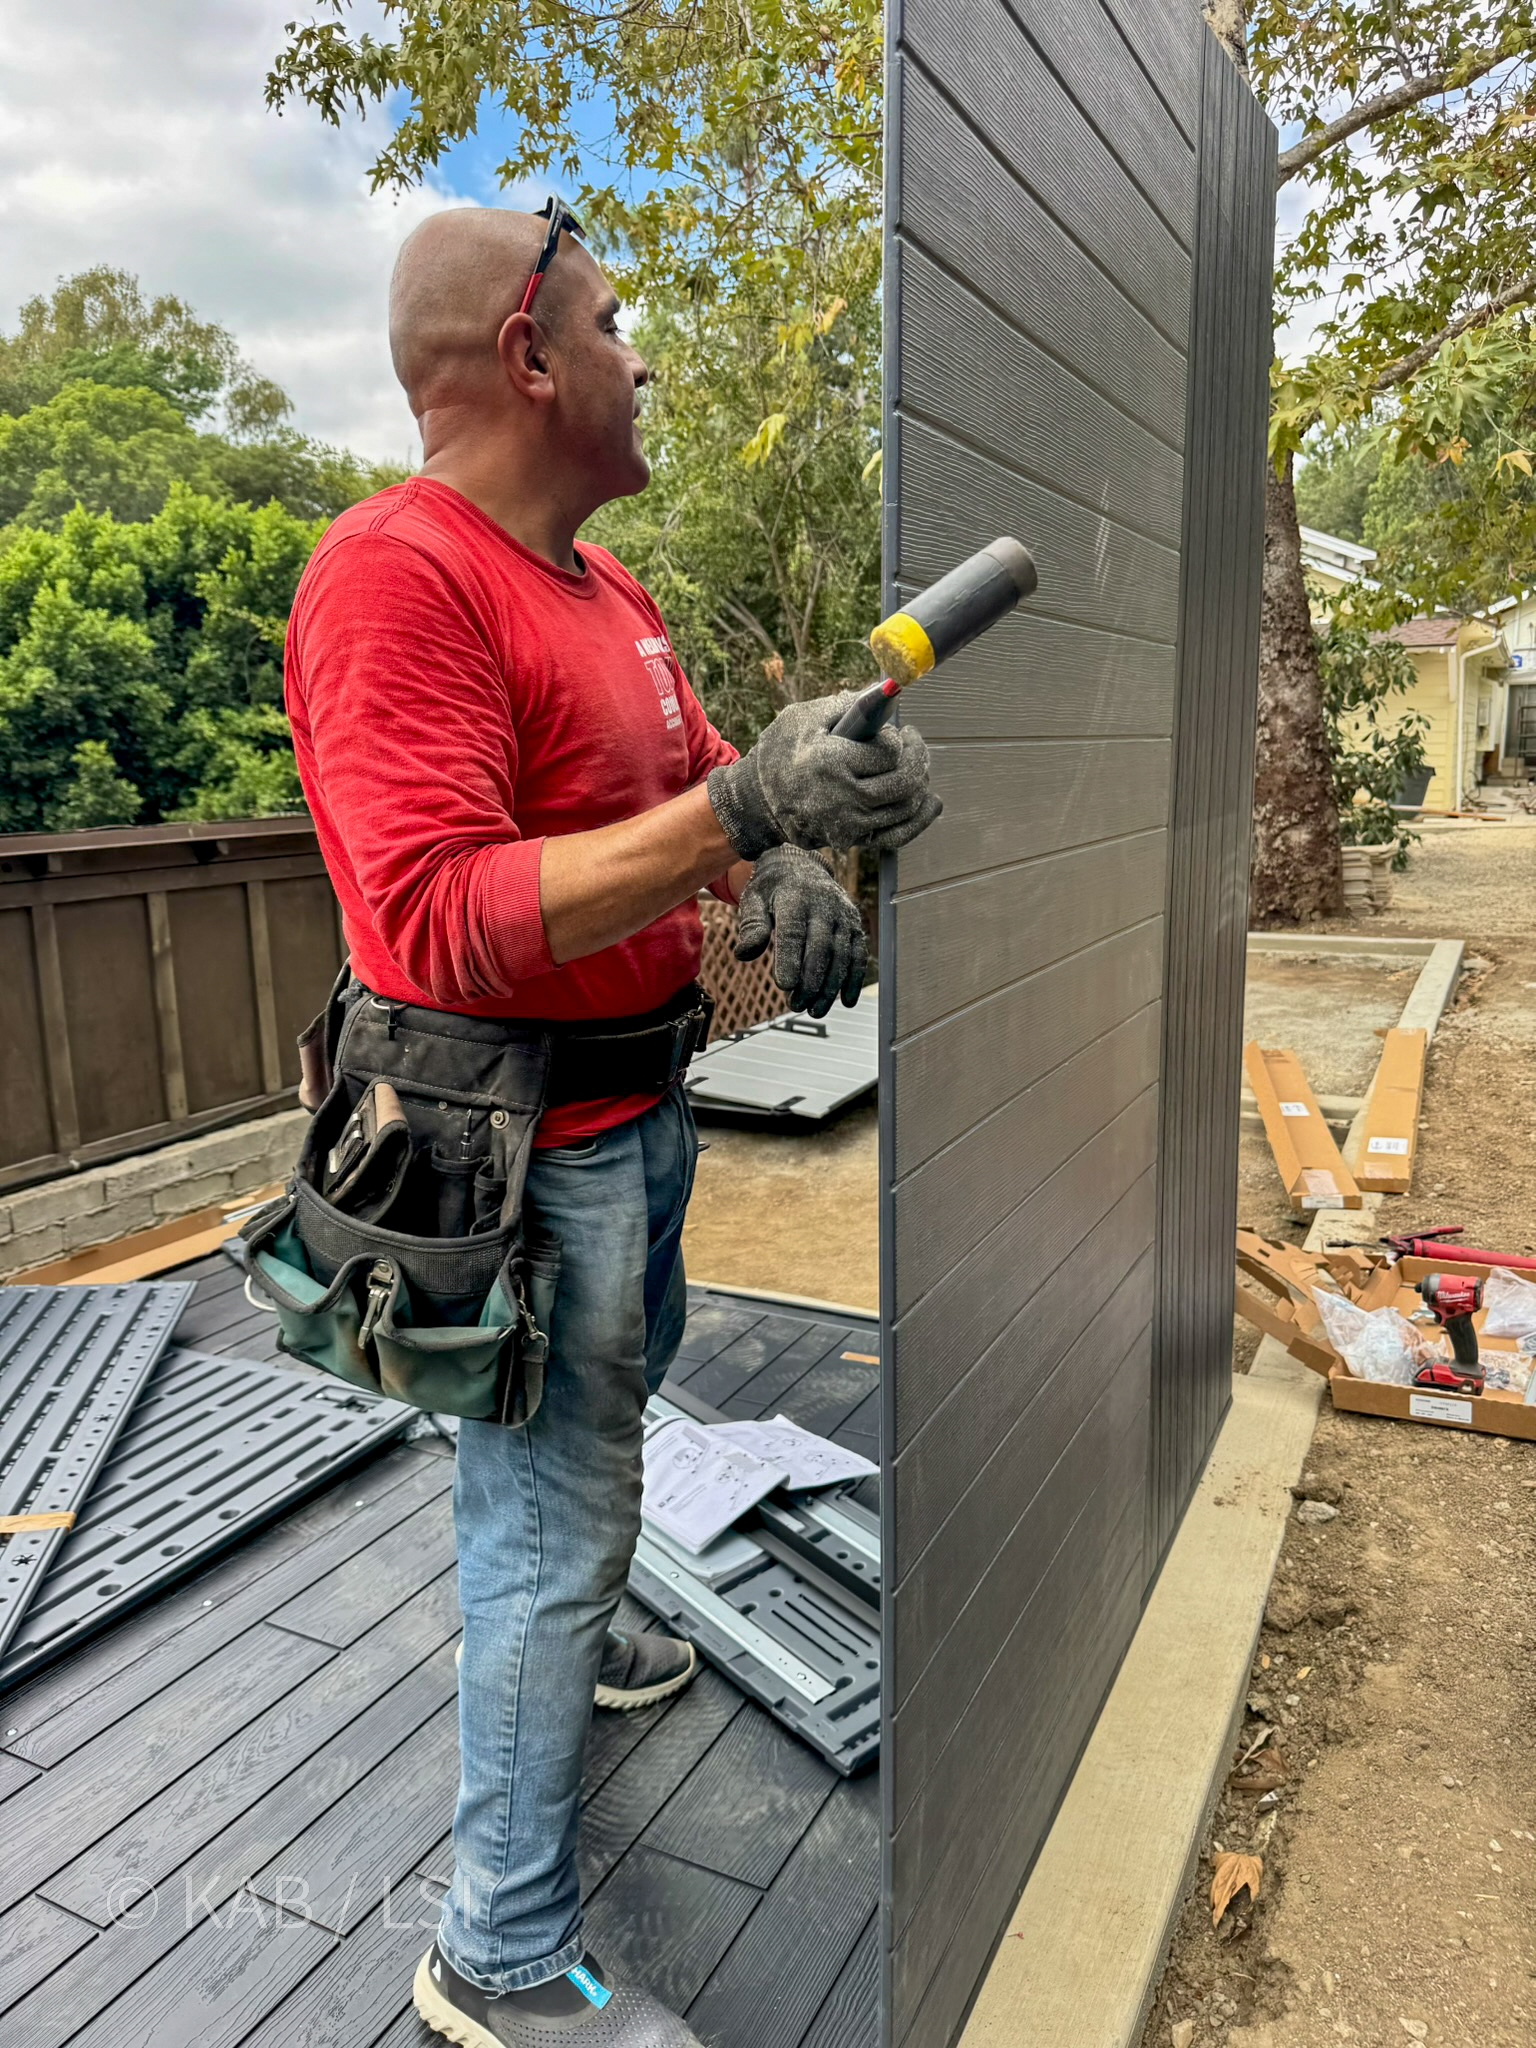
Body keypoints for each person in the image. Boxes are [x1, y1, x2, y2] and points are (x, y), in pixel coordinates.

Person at [284, 202, 940, 2048]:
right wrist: (738, 818)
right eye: (612, 322)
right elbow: (434, 914)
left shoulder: (609, 591)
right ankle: (494, 1949)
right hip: (520, 1159)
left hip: (638, 1111)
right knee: (545, 1517)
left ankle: (584, 1646)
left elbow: (688, 791)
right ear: (528, 353)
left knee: (586, 1455)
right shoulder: (393, 577)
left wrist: (769, 861)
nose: (641, 359)